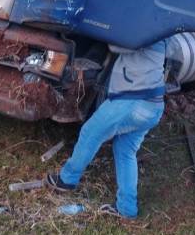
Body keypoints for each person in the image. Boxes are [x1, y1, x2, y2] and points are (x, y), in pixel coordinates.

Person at [47, 40, 166, 219]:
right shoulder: (163, 34)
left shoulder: (144, 29)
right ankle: (127, 208)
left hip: (133, 100)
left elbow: (116, 44)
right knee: (125, 151)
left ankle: (66, 180)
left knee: (90, 132)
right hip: (154, 104)